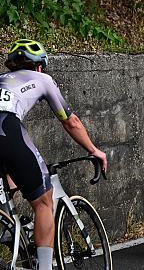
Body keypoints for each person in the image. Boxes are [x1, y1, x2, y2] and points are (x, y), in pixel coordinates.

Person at [0, 39, 108, 270]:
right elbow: (71, 122)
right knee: (43, 200)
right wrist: (94, 150)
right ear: (39, 65)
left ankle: (9, 229)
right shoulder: (43, 79)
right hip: (5, 129)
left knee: (9, 181)